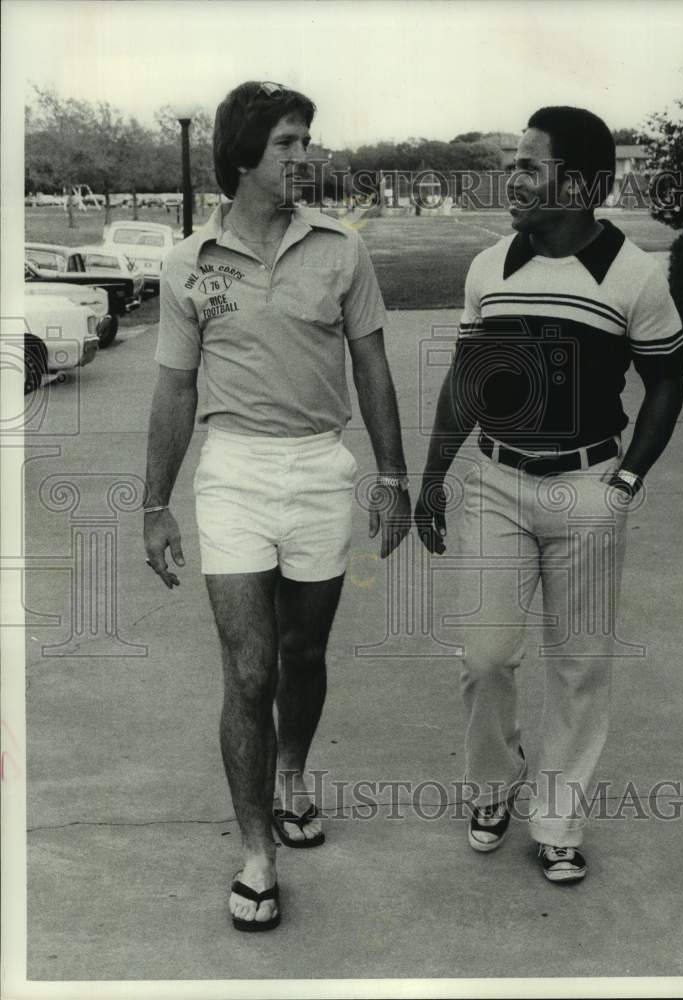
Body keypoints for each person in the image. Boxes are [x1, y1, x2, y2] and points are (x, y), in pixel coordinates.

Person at [143, 81, 411, 931]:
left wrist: (392, 476)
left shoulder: (341, 250)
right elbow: (174, 391)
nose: (307, 157)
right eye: (291, 143)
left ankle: (293, 771)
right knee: (248, 670)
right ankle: (257, 853)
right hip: (233, 477)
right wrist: (155, 503)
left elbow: (371, 368)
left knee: (303, 652)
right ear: (243, 155)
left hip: (319, 468)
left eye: (309, 141)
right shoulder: (190, 262)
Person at [415, 106, 683, 883]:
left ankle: (559, 821)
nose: (514, 178)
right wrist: (433, 479)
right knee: (485, 657)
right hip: (495, 486)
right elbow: (467, 385)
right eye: (515, 162)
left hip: (587, 486)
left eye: (531, 165)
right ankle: (492, 788)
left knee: (578, 664)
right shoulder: (490, 267)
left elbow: (665, 380)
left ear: (584, 184)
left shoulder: (632, 276)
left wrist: (626, 480)